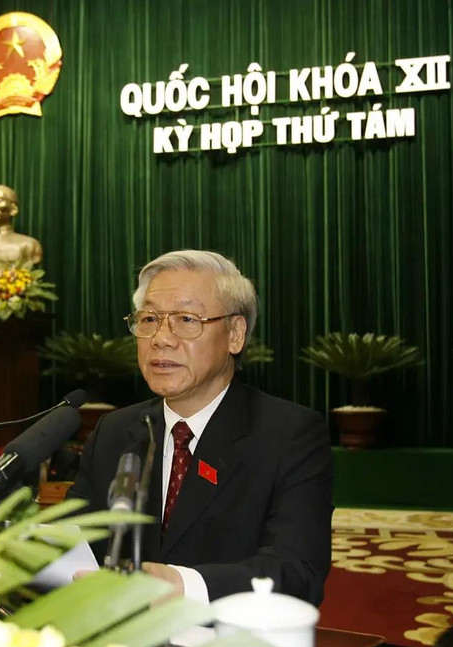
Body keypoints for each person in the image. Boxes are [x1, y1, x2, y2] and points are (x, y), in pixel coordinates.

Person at [67, 250, 333, 606]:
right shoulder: (114, 432)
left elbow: (297, 573)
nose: (161, 338)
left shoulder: (289, 434)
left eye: (186, 319)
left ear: (235, 334)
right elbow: (77, 542)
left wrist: (181, 585)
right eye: (149, 319)